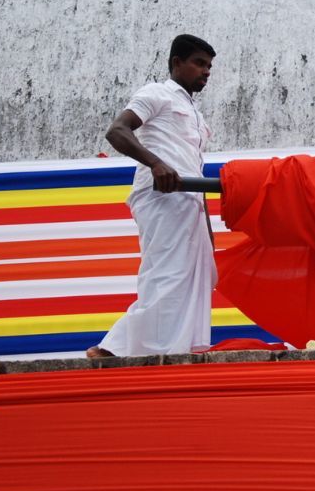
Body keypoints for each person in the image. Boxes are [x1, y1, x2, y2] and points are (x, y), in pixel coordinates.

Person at [88, 34, 218, 358]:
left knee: (193, 277)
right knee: (166, 275)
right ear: (177, 63)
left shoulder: (198, 116)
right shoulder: (156, 93)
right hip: (161, 196)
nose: (206, 72)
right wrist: (156, 163)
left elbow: (194, 167)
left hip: (190, 201)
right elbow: (117, 130)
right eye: (199, 63)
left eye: (209, 66)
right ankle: (113, 349)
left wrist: (209, 232)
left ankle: (178, 351)